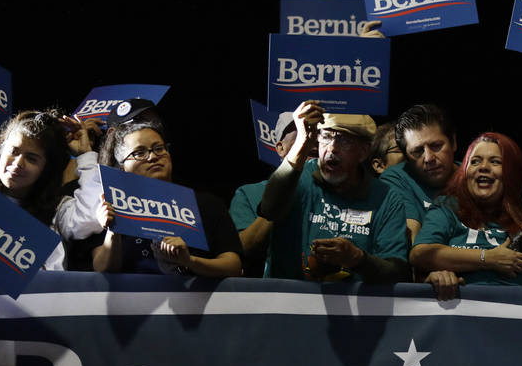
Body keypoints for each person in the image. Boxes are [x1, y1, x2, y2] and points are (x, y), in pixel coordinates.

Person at [409, 43, 522, 288]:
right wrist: (488, 259)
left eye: (495, 161)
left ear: (509, 172)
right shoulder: (449, 206)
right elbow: (420, 254)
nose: (483, 167)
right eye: (474, 161)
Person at [257, 103, 409, 283]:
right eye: (326, 137)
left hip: (355, 307)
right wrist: (300, 144)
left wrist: (357, 258)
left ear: (364, 151)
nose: (332, 148)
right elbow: (269, 210)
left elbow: (396, 271)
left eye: (344, 140)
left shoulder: (387, 198)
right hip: (290, 303)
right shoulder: (298, 178)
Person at [90, 118, 243, 277]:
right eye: (140, 152)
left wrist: (189, 261)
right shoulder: (110, 206)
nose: (153, 157)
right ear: (122, 166)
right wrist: (113, 230)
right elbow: (102, 269)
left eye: (159, 148)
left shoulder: (206, 204)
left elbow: (233, 266)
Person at [0, 111, 73, 269]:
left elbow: (52, 280)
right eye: (14, 151)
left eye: (31, 159)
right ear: (0, 151)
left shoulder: (49, 223)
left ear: (45, 170)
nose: (18, 163)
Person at [229, 111, 308, 277]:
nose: (310, 137)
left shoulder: (336, 189)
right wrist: (282, 193)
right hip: (273, 293)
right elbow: (243, 249)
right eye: (302, 131)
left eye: (317, 132)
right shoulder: (249, 193)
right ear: (280, 147)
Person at [382, 103, 459, 242]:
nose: (429, 158)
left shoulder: (475, 177)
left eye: (436, 146)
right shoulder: (397, 178)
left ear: (453, 142)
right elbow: (415, 245)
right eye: (418, 151)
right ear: (406, 158)